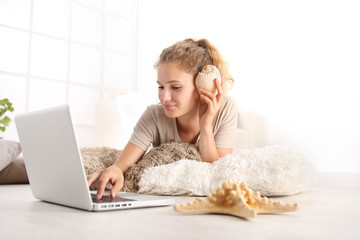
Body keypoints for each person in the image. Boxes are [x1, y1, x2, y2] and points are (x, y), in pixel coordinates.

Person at [87, 38, 238, 199]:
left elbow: (217, 171)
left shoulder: (225, 109)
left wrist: (206, 125)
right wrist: (114, 170)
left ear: (202, 86)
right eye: (161, 86)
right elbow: (120, 166)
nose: (164, 97)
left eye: (176, 87)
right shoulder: (154, 115)